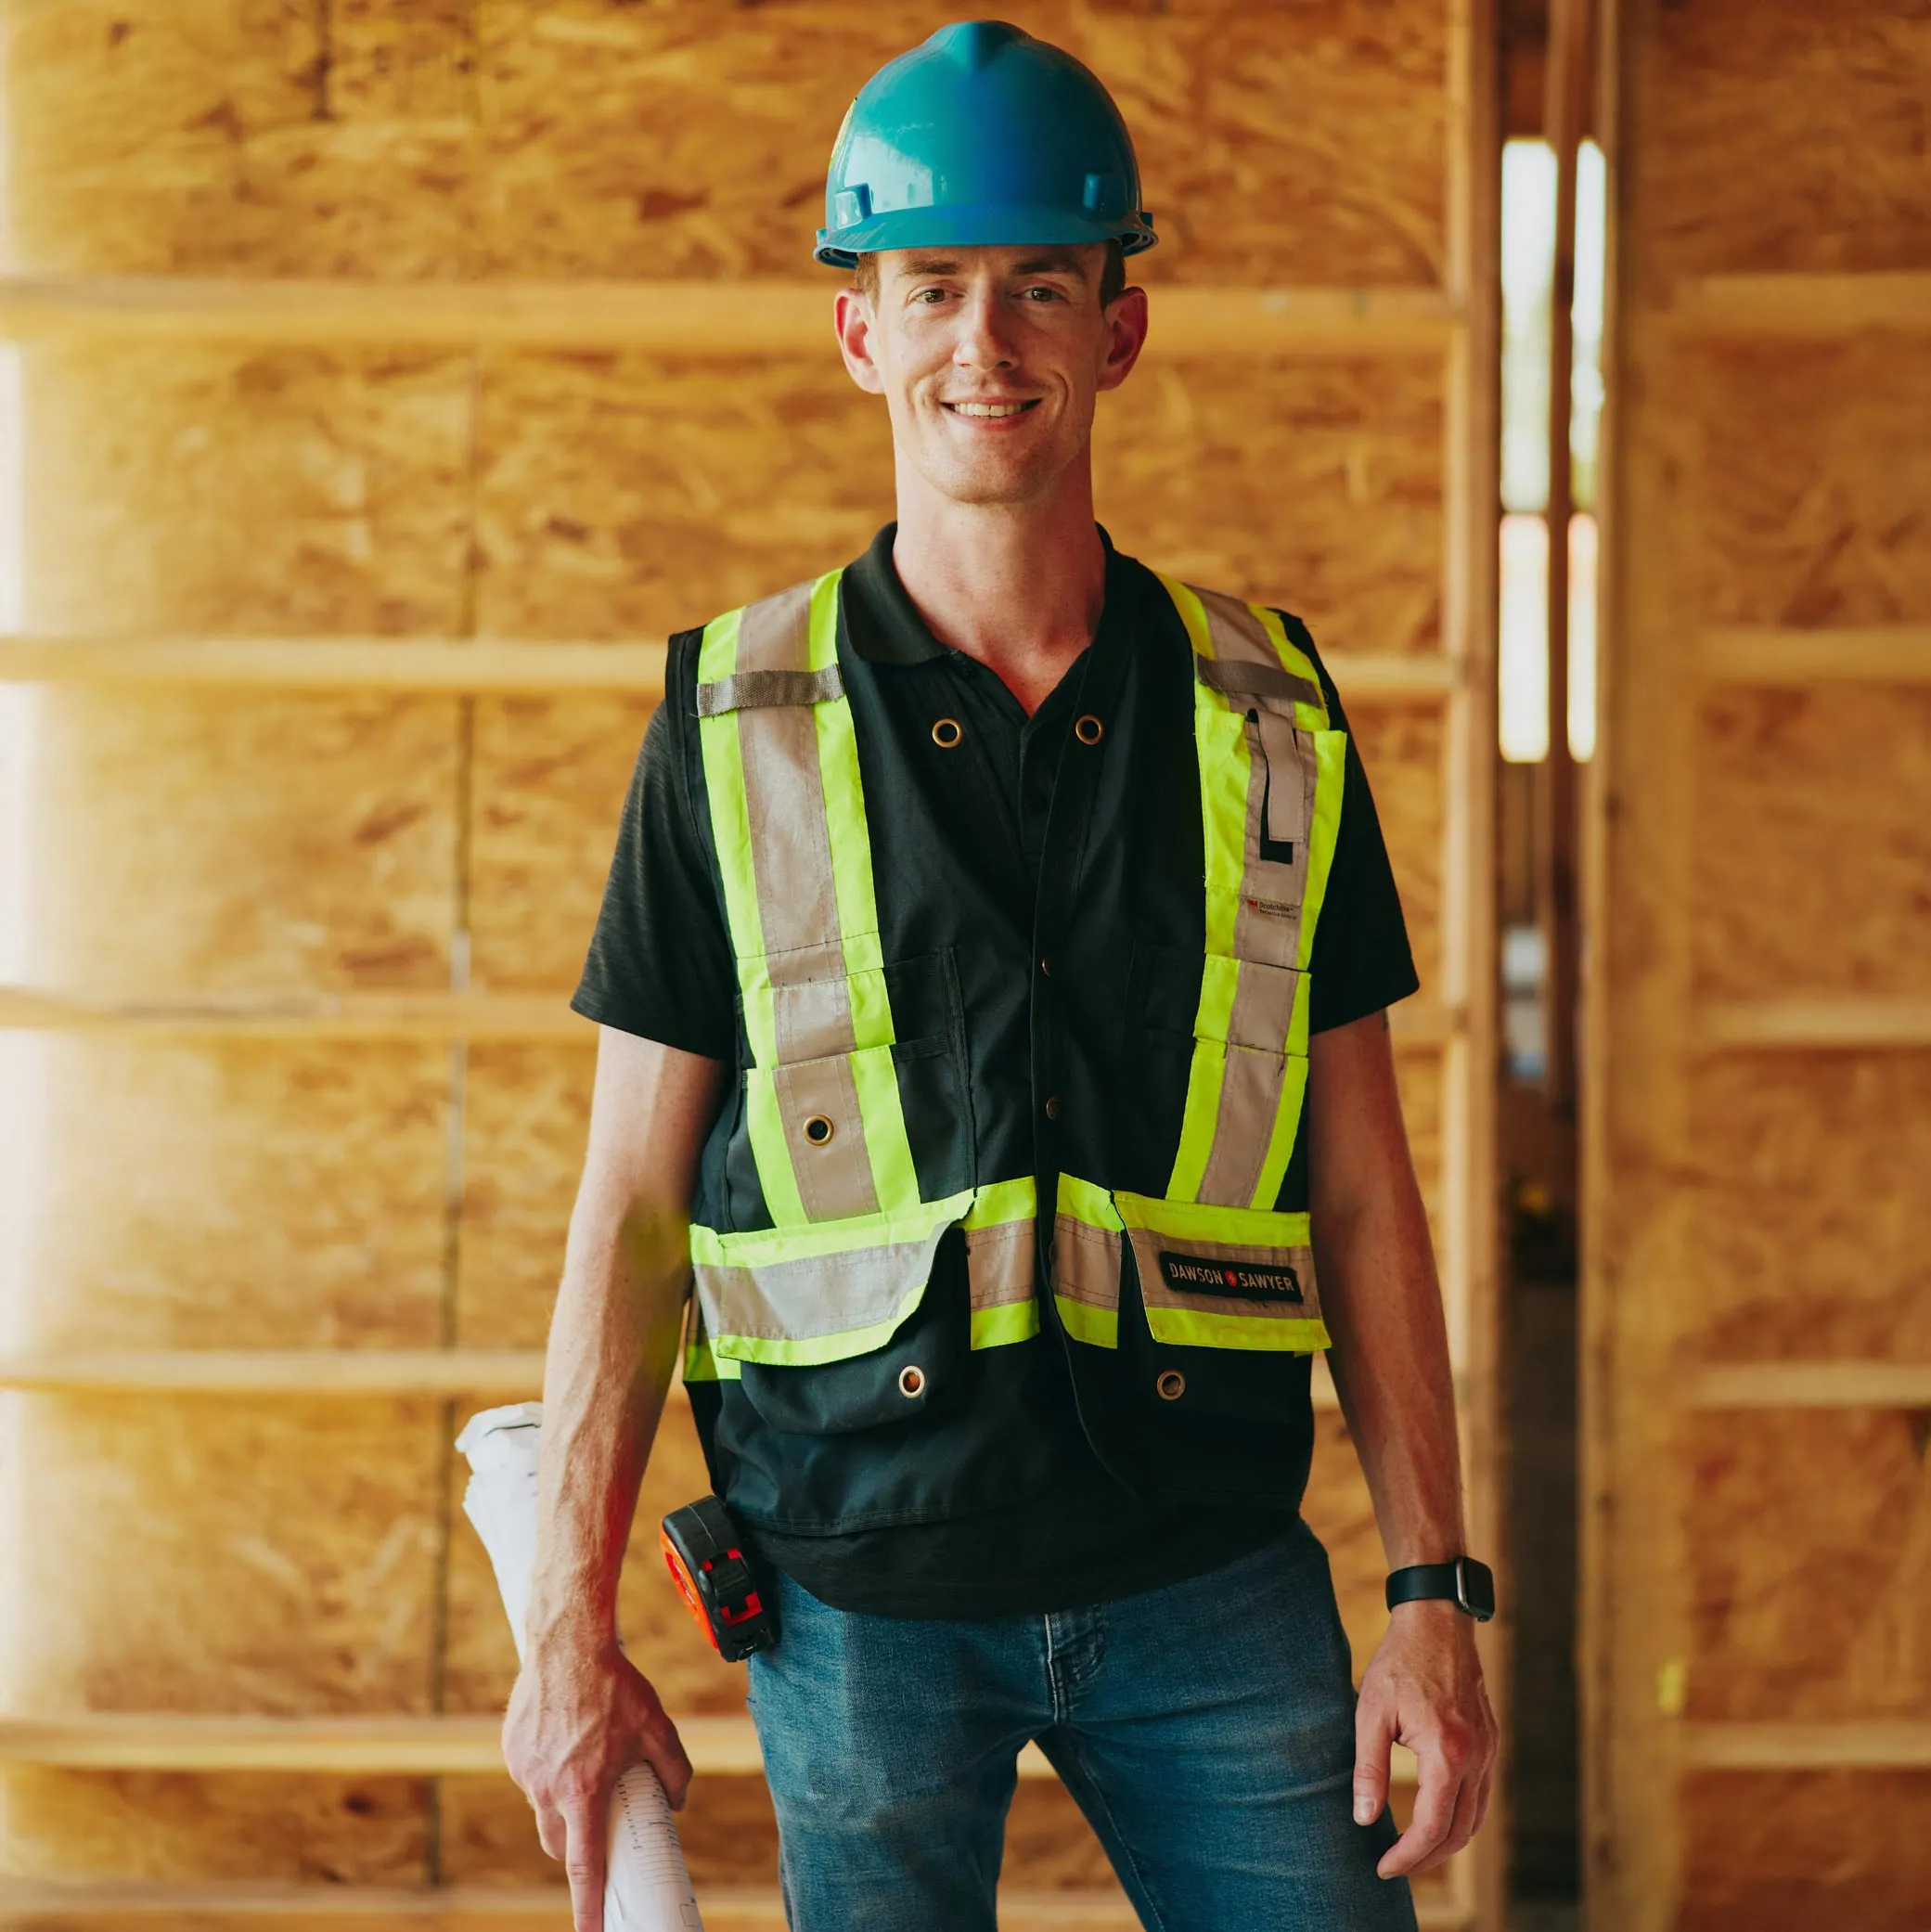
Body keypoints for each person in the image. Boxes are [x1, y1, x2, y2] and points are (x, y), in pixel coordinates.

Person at [503, 21, 1498, 1932]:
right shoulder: (733, 720)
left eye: (1040, 286)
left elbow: (1362, 1189)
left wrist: (1429, 1595)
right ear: (859, 334)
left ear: (1114, 329)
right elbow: (630, 1209)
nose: (987, 343)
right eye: (933, 289)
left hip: (1213, 1584)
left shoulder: (1265, 718)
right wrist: (567, 1623)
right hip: (856, 1608)